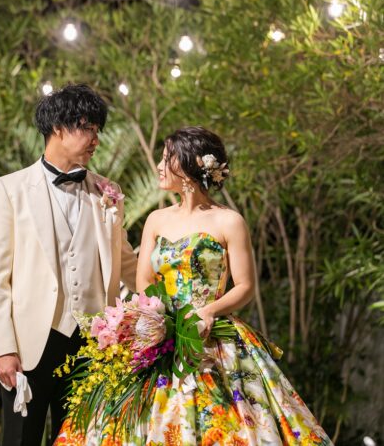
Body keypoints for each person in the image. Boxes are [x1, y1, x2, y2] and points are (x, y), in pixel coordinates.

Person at [55, 126, 333, 445]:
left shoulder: (229, 221)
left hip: (212, 337)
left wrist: (208, 311)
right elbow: (144, 280)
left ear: (190, 164)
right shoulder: (156, 219)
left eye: (166, 159)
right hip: (161, 332)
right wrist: (156, 318)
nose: (159, 166)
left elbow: (245, 285)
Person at [0, 84, 138, 446]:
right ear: (58, 127)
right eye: (88, 128)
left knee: (82, 441)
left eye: (98, 130)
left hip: (91, 346)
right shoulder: (9, 189)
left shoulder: (107, 192)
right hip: (29, 347)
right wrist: (4, 347)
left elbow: (127, 261)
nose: (95, 140)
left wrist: (170, 292)